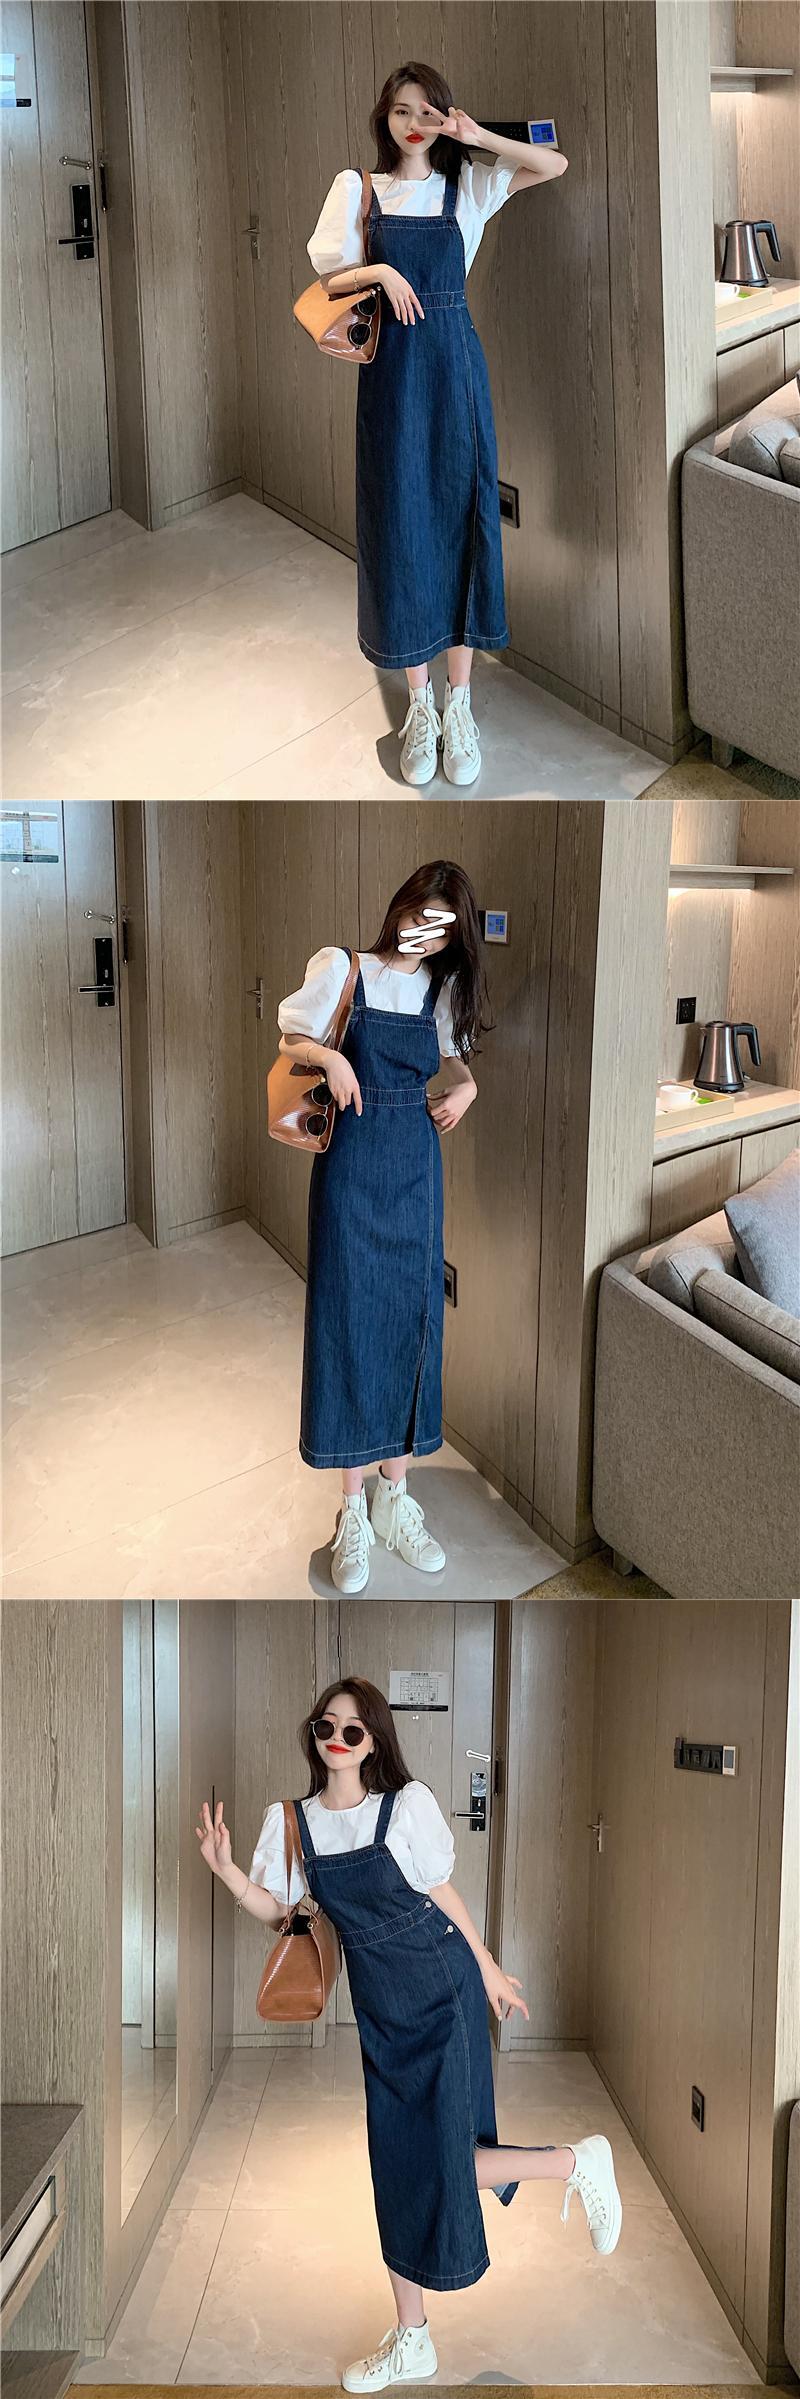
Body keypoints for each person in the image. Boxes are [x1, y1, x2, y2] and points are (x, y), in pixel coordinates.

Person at [196, 1677, 623, 2394]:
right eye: (325, 1726)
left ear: (373, 1742)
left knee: (439, 2155)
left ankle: (575, 2163)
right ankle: (414, 2338)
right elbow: (284, 1915)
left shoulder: (404, 1806)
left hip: (442, 1989)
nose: (336, 1739)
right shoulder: (295, 1822)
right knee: (396, 2163)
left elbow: (440, 1893)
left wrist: (488, 1968)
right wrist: (228, 1871)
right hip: (382, 2008)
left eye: (352, 1730)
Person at [306, 62, 569, 790]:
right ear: (383, 118)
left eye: (428, 111)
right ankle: (418, 706)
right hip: (392, 382)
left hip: (456, 378)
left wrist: (476, 135)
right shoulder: (359, 189)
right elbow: (328, 278)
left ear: (445, 117)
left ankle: (461, 703)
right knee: (401, 528)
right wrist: (381, 274)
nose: (414, 123)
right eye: (401, 110)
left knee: (461, 524)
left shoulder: (468, 187)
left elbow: (553, 164)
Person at [277, 861, 490, 1592]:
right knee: (346, 1321)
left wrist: (466, 1091)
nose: (427, 935)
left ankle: (396, 1501)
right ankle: (353, 1515)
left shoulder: (440, 989)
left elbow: (456, 1066)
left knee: (410, 1320)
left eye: (444, 929)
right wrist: (329, 1056)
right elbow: (289, 1037)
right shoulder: (343, 969)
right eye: (422, 916)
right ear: (402, 906)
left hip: (416, 1171)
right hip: (351, 1167)